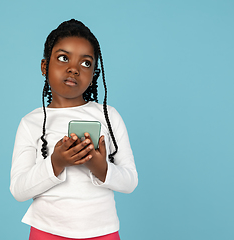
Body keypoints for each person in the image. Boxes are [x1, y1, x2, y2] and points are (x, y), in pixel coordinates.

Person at [10, 19, 138, 240]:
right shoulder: (31, 122)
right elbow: (19, 191)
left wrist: (101, 167)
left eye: (86, 63)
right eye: (63, 58)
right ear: (44, 66)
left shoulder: (109, 116)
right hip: (46, 231)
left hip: (103, 231)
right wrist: (56, 162)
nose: (74, 68)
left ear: (94, 73)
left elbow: (130, 182)